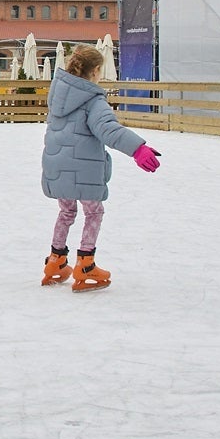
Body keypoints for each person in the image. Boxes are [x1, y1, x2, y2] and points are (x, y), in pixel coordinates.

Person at [40, 46, 159, 291]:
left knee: (66, 211)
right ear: (95, 71)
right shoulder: (92, 100)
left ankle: (55, 260)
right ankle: (85, 264)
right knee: (94, 212)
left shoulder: (58, 95)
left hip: (56, 164)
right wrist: (138, 149)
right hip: (83, 167)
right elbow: (108, 129)